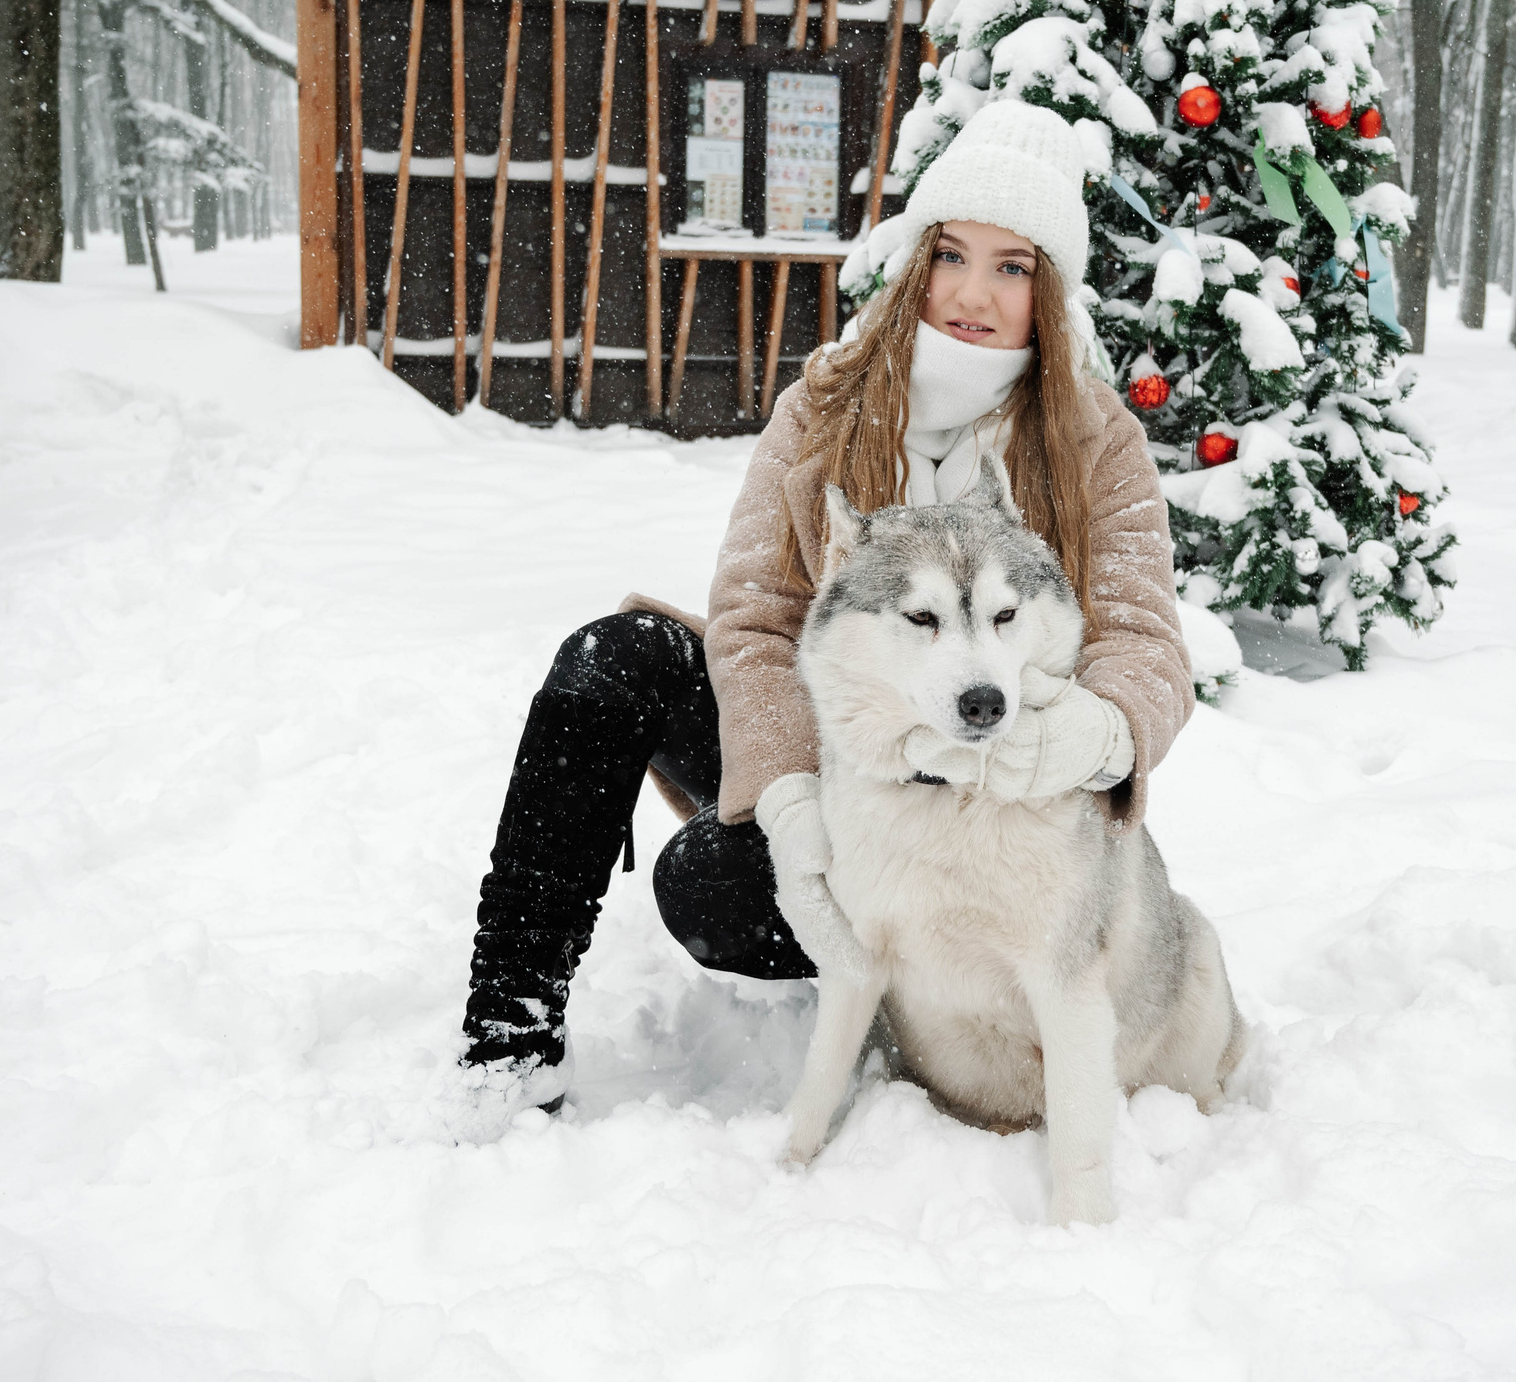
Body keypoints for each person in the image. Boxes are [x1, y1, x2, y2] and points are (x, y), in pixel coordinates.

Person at [460, 99, 1195, 1104]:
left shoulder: (1092, 440)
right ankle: (508, 1033)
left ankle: (920, 980)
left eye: (1011, 265)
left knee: (713, 882)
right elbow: (756, 611)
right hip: (825, 749)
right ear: (916, 260)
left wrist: (1099, 731)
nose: (971, 293)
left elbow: (1144, 638)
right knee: (614, 655)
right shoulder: (828, 401)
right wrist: (790, 795)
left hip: (980, 792)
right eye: (951, 254)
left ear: (1048, 288)